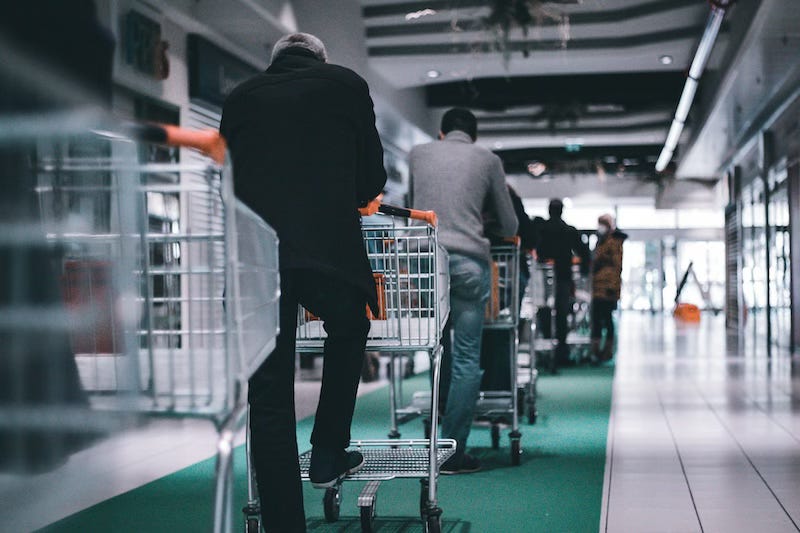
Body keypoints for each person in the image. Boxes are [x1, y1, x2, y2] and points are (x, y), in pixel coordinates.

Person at [220, 33, 387, 532]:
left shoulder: (241, 96)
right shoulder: (346, 84)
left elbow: (225, 177)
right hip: (327, 255)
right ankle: (329, 450)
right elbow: (370, 181)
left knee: (268, 394)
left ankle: (284, 525)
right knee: (349, 329)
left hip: (255, 260)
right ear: (320, 57)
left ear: (274, 62)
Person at [409, 108, 517, 473]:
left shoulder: (418, 154)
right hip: (469, 264)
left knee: (435, 348)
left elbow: (416, 207)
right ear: (473, 135)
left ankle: (434, 437)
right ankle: (454, 450)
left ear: (442, 133)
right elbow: (510, 222)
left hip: (425, 262)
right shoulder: (487, 159)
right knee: (467, 357)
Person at [480, 184, 537, 392]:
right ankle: (501, 389)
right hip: (510, 272)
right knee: (505, 328)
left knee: (480, 331)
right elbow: (530, 237)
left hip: (480, 272)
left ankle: (481, 387)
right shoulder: (512, 202)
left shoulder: (476, 203)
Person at [535, 199, 591, 368]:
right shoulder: (569, 230)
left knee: (543, 310)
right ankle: (561, 351)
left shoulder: (542, 229)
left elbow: (535, 248)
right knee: (561, 313)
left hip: (543, 276)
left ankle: (545, 347)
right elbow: (583, 251)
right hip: (564, 275)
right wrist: (583, 271)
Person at [591, 214, 626, 363]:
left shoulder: (614, 243)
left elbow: (617, 267)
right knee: (597, 320)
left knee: (607, 320)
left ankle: (608, 350)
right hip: (598, 287)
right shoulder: (601, 242)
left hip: (607, 289)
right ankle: (596, 351)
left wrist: (613, 287)